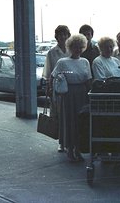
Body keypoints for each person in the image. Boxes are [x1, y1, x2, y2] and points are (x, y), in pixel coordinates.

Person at [51, 34, 92, 162]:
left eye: (80, 47)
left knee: (81, 122)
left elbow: (88, 79)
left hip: (82, 93)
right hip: (68, 94)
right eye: (75, 47)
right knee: (69, 121)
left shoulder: (85, 62)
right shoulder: (62, 62)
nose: (78, 49)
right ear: (70, 47)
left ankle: (78, 150)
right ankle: (69, 148)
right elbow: (53, 77)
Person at [43, 25, 71, 153]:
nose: (63, 37)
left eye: (65, 34)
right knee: (58, 115)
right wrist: (48, 88)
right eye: (60, 35)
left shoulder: (71, 50)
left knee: (69, 115)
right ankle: (61, 142)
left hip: (71, 87)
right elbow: (48, 72)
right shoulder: (52, 52)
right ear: (56, 36)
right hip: (57, 88)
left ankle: (70, 142)